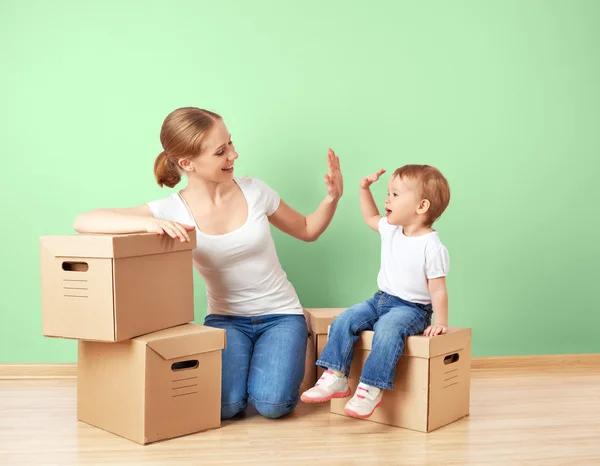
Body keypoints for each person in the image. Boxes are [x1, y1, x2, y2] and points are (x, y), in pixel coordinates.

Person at [73, 107, 344, 419]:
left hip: (281, 315)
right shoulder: (171, 209)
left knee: (272, 405)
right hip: (226, 320)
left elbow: (307, 230)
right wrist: (148, 224)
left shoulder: (255, 190)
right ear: (188, 163)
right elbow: (84, 220)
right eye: (221, 151)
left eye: (230, 143)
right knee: (224, 407)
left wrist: (331, 199)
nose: (234, 154)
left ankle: (293, 346)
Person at [300, 164, 450, 419]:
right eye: (388, 193)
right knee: (344, 320)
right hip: (380, 299)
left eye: (395, 194)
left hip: (412, 308)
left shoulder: (432, 247)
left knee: (388, 330)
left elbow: (438, 290)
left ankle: (370, 387)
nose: (387, 199)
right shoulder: (392, 229)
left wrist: (441, 322)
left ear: (421, 207)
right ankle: (336, 375)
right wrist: (363, 189)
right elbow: (370, 217)